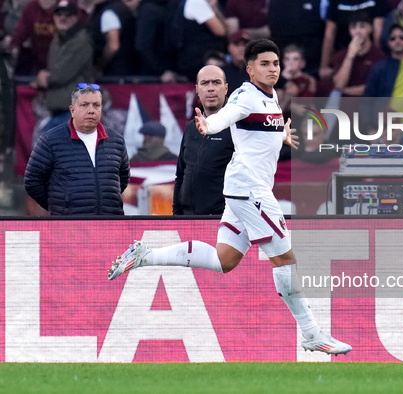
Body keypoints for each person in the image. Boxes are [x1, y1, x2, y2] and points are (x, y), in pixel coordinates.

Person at [108, 39, 352, 355]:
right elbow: (229, 114)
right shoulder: (244, 95)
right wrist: (208, 125)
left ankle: (145, 256)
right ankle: (312, 333)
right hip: (251, 191)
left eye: (275, 63)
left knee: (225, 260)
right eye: (264, 64)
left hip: (240, 190)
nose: (273, 69)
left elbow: (255, 132)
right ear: (249, 69)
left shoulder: (271, 96)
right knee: (285, 260)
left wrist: (281, 136)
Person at [24, 83, 130, 215]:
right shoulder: (50, 140)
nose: (91, 110)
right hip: (69, 227)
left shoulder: (116, 141)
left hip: (109, 225)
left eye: (96, 105)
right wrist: (59, 208)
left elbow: (122, 180)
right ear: (72, 110)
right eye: (84, 105)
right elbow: (32, 182)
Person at [173, 65, 233, 215]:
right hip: (188, 218)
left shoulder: (237, 126)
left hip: (224, 219)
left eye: (216, 82)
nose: (210, 88)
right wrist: (176, 215)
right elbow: (181, 174)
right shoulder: (191, 128)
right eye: (205, 83)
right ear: (197, 90)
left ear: (226, 89)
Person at [31, 0, 94, 134]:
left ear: (75, 18)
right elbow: (54, 68)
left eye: (67, 15)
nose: (62, 18)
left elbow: (61, 74)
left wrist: (43, 78)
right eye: (59, 14)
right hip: (58, 110)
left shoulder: (81, 40)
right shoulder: (58, 38)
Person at [331, 10, 385, 98]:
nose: (357, 31)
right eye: (353, 27)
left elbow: (374, 87)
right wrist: (350, 56)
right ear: (349, 30)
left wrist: (345, 90)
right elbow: (339, 85)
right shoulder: (341, 55)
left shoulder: (379, 55)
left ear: (370, 28)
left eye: (362, 26)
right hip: (346, 105)